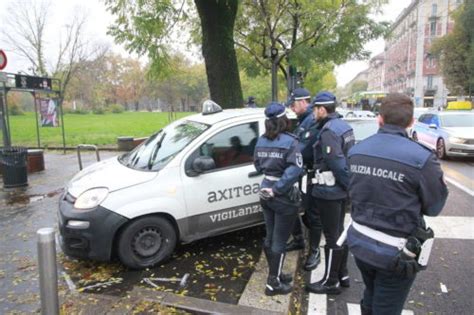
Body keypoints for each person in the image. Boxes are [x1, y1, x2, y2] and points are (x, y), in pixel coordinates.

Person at [346, 93, 448, 314]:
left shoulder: (356, 151)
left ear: (379, 119)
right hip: (396, 253)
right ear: (411, 122)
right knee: (386, 307)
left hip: (361, 242)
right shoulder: (421, 158)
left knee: (371, 296)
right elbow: (434, 207)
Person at [306, 91, 355, 295]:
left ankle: (330, 281)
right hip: (339, 191)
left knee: (332, 236)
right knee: (340, 233)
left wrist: (349, 187)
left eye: (315, 109)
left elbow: (337, 164)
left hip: (330, 191)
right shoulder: (344, 126)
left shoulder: (329, 131)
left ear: (322, 109)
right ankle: (342, 274)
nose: (313, 113)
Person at [253, 102, 303, 296]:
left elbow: (257, 166)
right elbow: (295, 170)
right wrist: (279, 188)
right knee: (280, 240)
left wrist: (271, 182)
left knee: (271, 234)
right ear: (284, 120)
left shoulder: (261, 141)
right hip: (283, 196)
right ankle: (273, 283)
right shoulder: (291, 141)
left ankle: (277, 273)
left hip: (265, 191)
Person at [285, 87, 323, 271]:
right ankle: (300, 240)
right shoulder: (303, 120)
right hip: (300, 174)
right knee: (294, 207)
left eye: (293, 104)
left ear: (303, 102)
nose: (292, 108)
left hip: (311, 174)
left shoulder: (312, 120)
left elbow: (305, 150)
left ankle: (315, 251)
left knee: (313, 215)